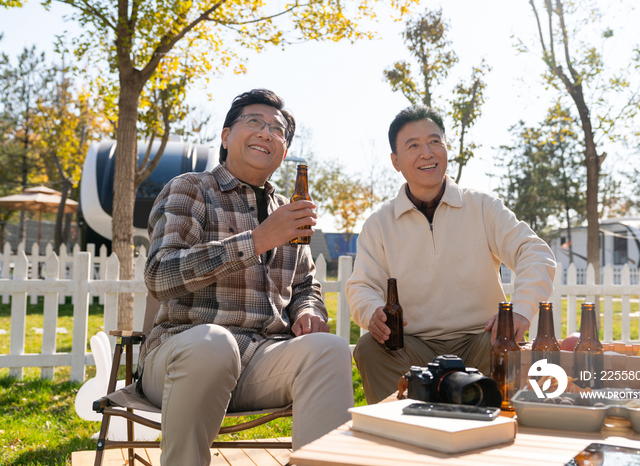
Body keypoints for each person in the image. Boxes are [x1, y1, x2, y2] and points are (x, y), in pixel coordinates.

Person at [139, 88, 354, 465]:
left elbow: (306, 285)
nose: (266, 133)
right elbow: (159, 274)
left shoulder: (287, 211)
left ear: (284, 152)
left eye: (278, 130)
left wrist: (307, 309)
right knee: (213, 342)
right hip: (181, 355)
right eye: (254, 122)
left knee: (331, 348)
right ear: (225, 136)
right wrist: (256, 241)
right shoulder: (191, 189)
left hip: (260, 359)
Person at [346, 105, 556, 404]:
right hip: (411, 346)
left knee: (506, 349)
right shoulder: (379, 224)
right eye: (413, 145)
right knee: (369, 348)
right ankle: (403, 436)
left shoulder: (483, 207)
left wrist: (520, 310)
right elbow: (362, 286)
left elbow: (534, 252)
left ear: (447, 148)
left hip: (482, 340)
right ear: (395, 161)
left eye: (435, 141)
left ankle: (493, 431)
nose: (427, 153)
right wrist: (371, 311)